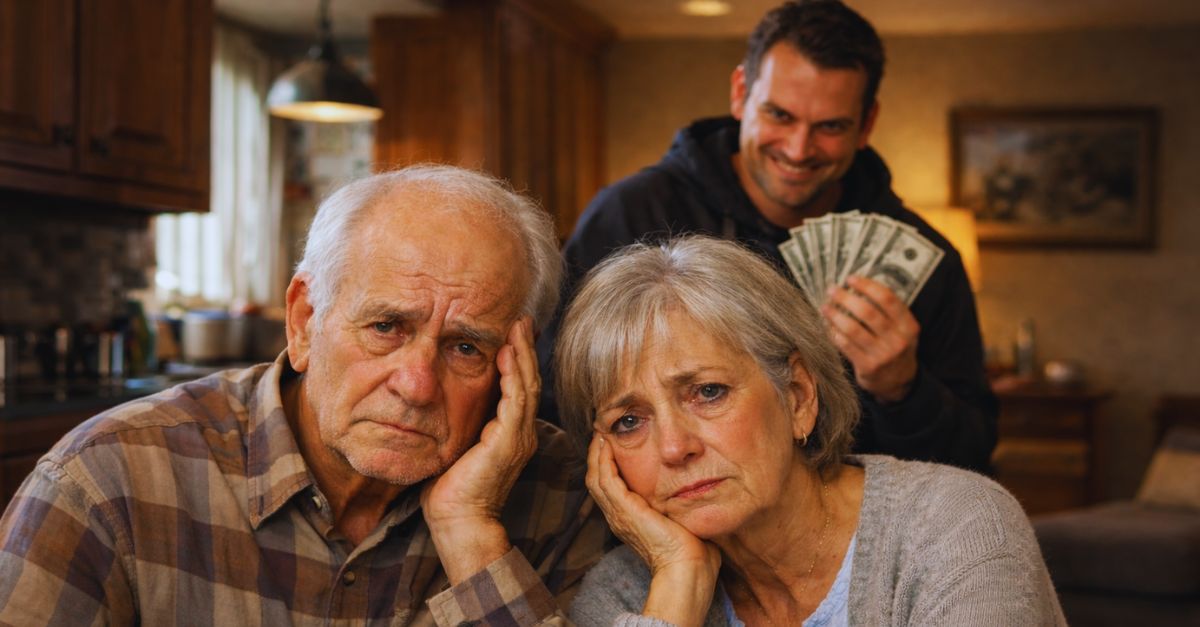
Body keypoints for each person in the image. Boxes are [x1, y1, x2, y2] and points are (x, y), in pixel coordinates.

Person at [0, 165, 609, 625]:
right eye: (386, 327)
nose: (417, 385)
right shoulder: (106, 482)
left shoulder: (562, 495)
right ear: (303, 323)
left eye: (466, 347)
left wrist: (470, 531)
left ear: (516, 365)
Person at [537, 0, 997, 474]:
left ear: (866, 124)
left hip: (855, 511)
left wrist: (904, 389)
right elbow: (556, 400)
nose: (798, 149)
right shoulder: (631, 214)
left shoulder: (930, 258)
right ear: (740, 93)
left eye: (830, 126)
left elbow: (972, 454)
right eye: (780, 115)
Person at [555, 236, 1065, 626]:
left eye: (707, 392)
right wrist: (677, 583)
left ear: (798, 396)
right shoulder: (625, 596)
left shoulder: (956, 527)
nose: (674, 447)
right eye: (628, 422)